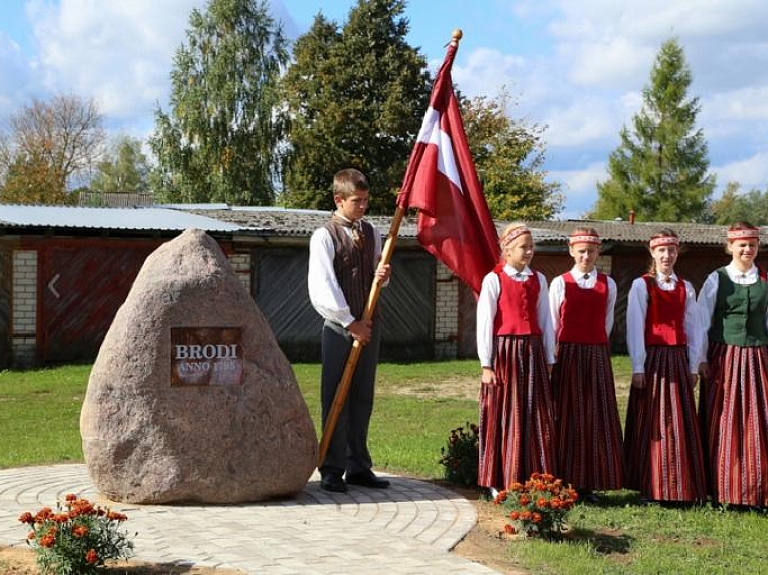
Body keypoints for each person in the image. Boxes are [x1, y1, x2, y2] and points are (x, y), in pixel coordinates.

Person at [307, 168, 391, 493]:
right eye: (357, 200)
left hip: (370, 322)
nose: (363, 206)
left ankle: (358, 466)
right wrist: (348, 321)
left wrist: (382, 276)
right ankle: (331, 467)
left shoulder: (372, 232)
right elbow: (323, 285)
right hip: (340, 327)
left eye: (366, 200)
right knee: (335, 395)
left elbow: (373, 277)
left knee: (361, 396)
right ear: (338, 199)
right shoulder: (324, 236)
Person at [623, 229, 707, 504]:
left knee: (679, 422)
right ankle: (651, 484)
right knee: (653, 421)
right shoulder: (641, 285)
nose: (667, 256)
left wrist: (693, 364)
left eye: (671, 251)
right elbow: (635, 326)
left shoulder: (686, 287)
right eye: (662, 250)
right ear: (653, 253)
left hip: (678, 358)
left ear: (676, 253)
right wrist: (638, 366)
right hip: (654, 359)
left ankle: (680, 485)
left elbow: (693, 328)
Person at [476, 223, 557, 491]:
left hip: (532, 351)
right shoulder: (494, 279)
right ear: (507, 250)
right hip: (506, 353)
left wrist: (548, 357)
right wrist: (486, 364)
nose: (529, 251)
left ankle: (533, 474)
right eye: (524, 247)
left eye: (531, 246)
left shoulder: (539, 279)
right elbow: (485, 323)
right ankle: (500, 478)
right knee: (505, 412)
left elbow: (546, 319)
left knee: (534, 413)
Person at [549, 227, 624, 502]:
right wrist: (554, 357)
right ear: (571, 251)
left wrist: (595, 345)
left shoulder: (608, 284)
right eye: (581, 251)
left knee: (594, 416)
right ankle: (562, 478)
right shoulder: (560, 283)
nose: (586, 256)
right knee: (567, 414)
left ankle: (590, 482)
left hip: (596, 354)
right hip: (567, 354)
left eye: (591, 251)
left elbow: (607, 322)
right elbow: (553, 323)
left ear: (598, 252)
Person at [698, 221, 768, 507]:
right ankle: (722, 487)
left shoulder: (764, 280)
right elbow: (701, 321)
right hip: (724, 356)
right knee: (723, 418)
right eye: (741, 245)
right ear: (730, 246)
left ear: (757, 247)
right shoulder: (717, 278)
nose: (747, 249)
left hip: (756, 356)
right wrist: (700, 358)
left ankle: (755, 490)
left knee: (757, 419)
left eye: (751, 245)